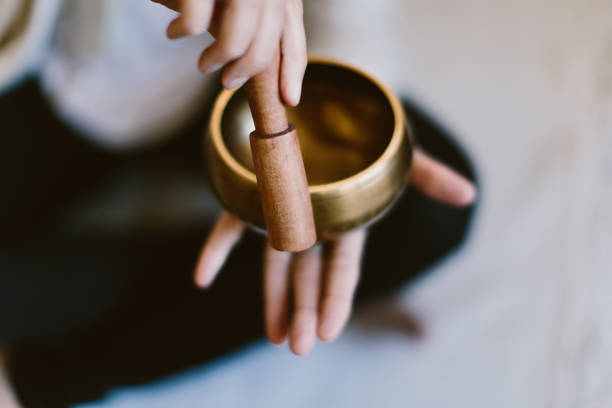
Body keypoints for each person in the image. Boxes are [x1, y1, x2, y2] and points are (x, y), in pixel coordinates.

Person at [0, 1, 477, 407]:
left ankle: (61, 366)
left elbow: (355, 13)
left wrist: (328, 127)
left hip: (218, 81)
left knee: (427, 206)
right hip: (31, 81)